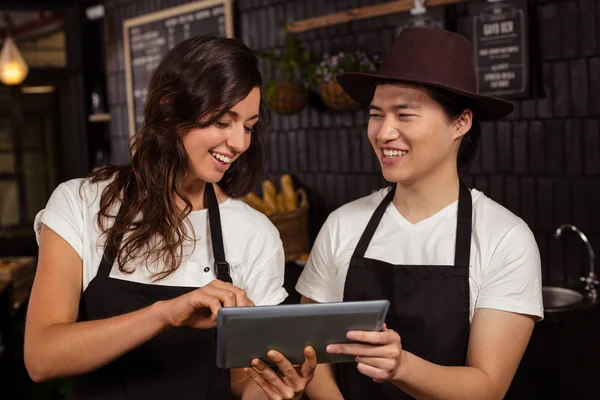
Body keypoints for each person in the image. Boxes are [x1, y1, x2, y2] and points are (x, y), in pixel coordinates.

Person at [24, 33, 315, 400]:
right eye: (224, 121)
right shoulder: (80, 203)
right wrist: (164, 315)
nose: (240, 143)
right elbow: (42, 357)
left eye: (249, 126)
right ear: (169, 106)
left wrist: (275, 389)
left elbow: (243, 383)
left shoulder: (253, 232)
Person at [296, 27, 543, 399]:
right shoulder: (343, 224)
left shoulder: (505, 238)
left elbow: (487, 387)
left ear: (460, 122)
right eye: (376, 114)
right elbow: (310, 352)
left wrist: (401, 367)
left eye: (405, 114)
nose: (384, 132)